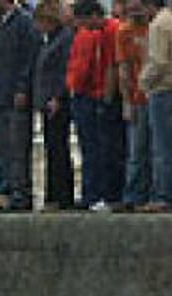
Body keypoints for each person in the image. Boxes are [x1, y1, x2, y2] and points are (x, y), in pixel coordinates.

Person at [0, 0, 39, 209]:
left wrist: (22, 88)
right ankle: (9, 191)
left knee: (18, 149)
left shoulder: (23, 23)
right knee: (4, 149)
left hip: (15, 97)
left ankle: (21, 194)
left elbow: (29, 57)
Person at [68, 0, 124, 209]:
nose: (83, 27)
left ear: (93, 15)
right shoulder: (99, 33)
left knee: (106, 148)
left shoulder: (111, 30)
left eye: (83, 21)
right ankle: (97, 193)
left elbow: (111, 66)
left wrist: (106, 100)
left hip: (102, 96)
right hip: (97, 94)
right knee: (96, 148)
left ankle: (108, 194)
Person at [34, 0, 77, 208]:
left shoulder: (64, 39)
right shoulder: (50, 39)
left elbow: (63, 70)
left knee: (59, 148)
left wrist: (57, 97)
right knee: (53, 147)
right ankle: (54, 194)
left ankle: (61, 194)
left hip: (57, 101)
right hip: (47, 100)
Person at [141, 0, 172, 209]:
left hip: (162, 91)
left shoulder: (158, 25)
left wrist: (143, 81)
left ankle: (165, 196)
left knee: (163, 148)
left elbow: (158, 61)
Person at [116, 0, 154, 206]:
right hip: (137, 97)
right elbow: (123, 69)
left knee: (156, 149)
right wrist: (126, 101)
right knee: (137, 150)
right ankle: (133, 196)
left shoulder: (156, 28)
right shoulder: (124, 32)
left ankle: (153, 193)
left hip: (156, 93)